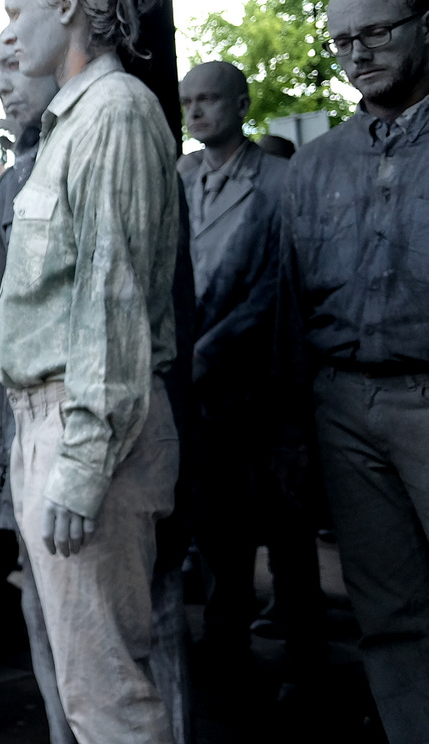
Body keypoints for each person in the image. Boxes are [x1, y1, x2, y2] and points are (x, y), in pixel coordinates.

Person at [0, 0, 179, 744]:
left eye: (15, 12)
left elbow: (113, 304)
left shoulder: (115, 113)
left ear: (65, 8)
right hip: (52, 419)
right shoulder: (71, 122)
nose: (9, 32)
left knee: (110, 698)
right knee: (84, 688)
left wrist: (81, 464)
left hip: (85, 424)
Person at [279, 0, 429, 741]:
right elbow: (290, 308)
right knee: (388, 612)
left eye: (377, 31)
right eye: (342, 39)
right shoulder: (312, 166)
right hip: (342, 408)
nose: (358, 52)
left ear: (424, 26)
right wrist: (300, 430)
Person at [178, 62, 323, 686]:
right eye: (187, 101)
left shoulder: (281, 179)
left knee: (287, 528)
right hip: (199, 387)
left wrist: (212, 344)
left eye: (208, 98)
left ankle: (305, 659)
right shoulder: (180, 175)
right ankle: (225, 643)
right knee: (217, 528)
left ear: (240, 104)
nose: (195, 111)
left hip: (262, 382)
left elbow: (281, 285)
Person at [0, 37, 77, 744]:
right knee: (42, 609)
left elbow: (162, 306)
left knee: (123, 631)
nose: (3, 86)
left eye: (15, 68)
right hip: (25, 426)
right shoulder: (12, 182)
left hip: (94, 421)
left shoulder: (107, 144)